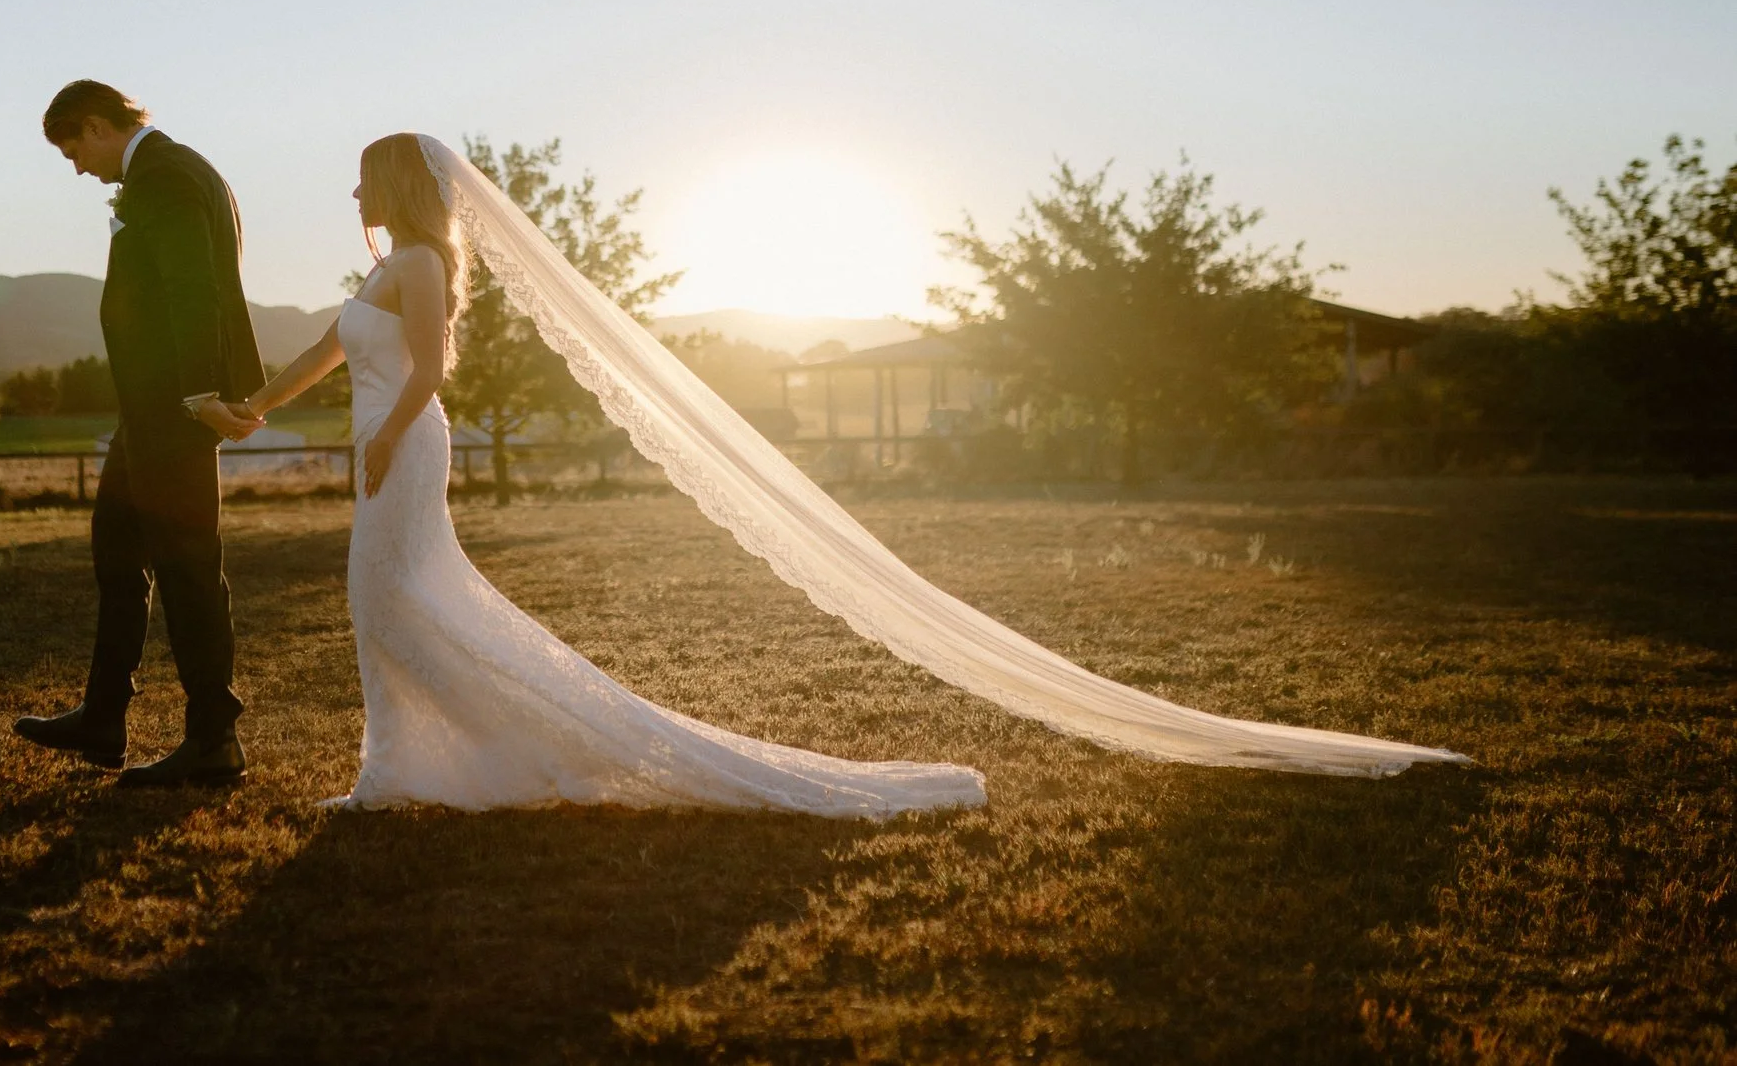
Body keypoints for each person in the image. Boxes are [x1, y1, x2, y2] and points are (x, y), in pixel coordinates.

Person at [195, 133, 1464, 813]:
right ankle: (412, 763)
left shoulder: (418, 265)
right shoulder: (369, 269)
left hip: (402, 448)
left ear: (398, 184)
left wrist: (379, 431)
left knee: (392, 598)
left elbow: (427, 367)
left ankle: (422, 763)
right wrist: (248, 407)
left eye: (364, 169)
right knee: (396, 606)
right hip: (379, 437)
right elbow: (320, 350)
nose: (350, 182)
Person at [13, 81, 266, 786]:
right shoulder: (172, 170)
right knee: (117, 554)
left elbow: (194, 287)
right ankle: (103, 714)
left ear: (96, 125)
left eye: (74, 150)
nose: (77, 168)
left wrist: (201, 393)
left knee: (188, 568)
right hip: (148, 411)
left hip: (175, 409)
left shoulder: (165, 175)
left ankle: (214, 738)